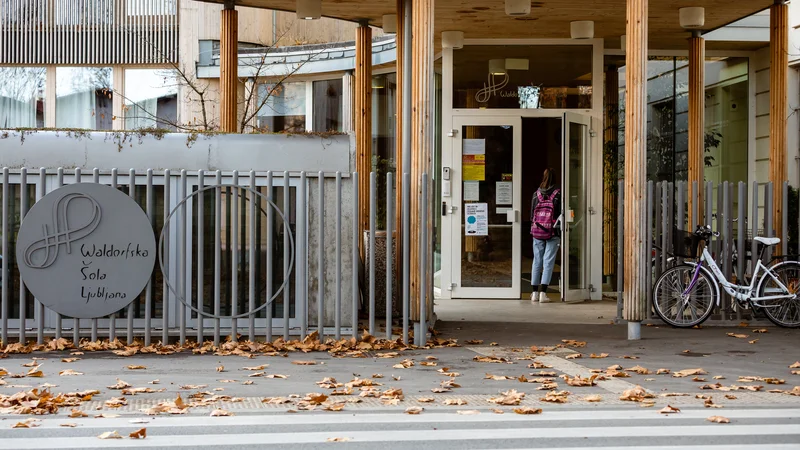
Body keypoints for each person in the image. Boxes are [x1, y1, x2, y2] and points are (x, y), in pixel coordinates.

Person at [529, 168, 561, 303]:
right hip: (553, 232)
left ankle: (534, 293)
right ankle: (543, 293)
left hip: (537, 232)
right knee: (548, 261)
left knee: (537, 261)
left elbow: (531, 215)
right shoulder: (558, 194)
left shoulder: (536, 194)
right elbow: (561, 215)